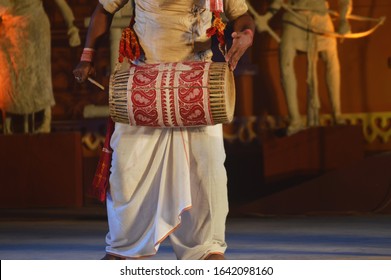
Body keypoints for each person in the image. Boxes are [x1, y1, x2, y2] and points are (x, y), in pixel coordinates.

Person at [73, 0, 254, 260]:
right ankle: (126, 250)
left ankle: (204, 250)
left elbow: (243, 16)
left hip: (196, 81)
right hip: (145, 76)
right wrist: (87, 56)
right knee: (127, 171)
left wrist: (245, 35)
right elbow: (103, 10)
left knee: (207, 173)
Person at [252, 0, 352, 135]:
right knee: (285, 58)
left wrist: (343, 19)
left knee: (332, 59)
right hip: (295, 15)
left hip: (321, 15)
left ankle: (337, 114)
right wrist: (267, 17)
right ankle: (295, 119)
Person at [0, 0, 80, 134]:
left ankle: (45, 120)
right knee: (9, 78)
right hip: (9, 30)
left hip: (35, 27)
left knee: (41, 75)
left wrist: (72, 27)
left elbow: (61, 3)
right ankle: (7, 121)